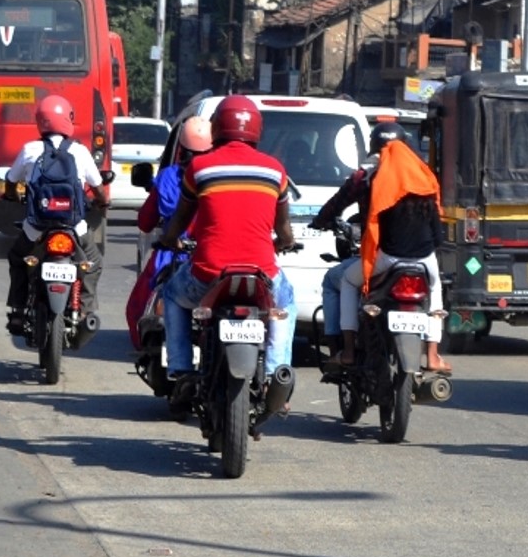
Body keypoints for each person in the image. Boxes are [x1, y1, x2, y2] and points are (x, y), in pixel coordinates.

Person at [157, 96, 298, 380]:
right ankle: (276, 374)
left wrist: (169, 239)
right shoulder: (275, 170)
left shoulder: (199, 168)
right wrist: (284, 243)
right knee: (286, 301)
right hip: (263, 275)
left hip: (207, 275)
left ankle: (181, 368)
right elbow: (283, 229)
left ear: (217, 127)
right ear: (256, 129)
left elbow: (180, 220)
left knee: (171, 294)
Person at [313, 121, 450, 374]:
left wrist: (319, 221)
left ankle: (349, 351)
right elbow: (437, 233)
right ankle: (432, 355)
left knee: (346, 282)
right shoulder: (423, 176)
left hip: (385, 256)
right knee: (435, 287)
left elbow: (341, 203)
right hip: (424, 259)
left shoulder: (370, 174)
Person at [2, 94, 106, 336]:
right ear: (68, 118)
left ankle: (17, 311)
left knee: (18, 259)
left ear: (41, 121)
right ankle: (86, 311)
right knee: (92, 263)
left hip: (36, 227)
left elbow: (10, 181)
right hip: (74, 226)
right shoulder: (80, 152)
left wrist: (12, 195)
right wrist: (103, 201)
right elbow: (99, 188)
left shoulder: (30, 149)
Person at [126, 116, 213, 349]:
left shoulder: (168, 178)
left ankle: (146, 352)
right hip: (212, 256)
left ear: (181, 148)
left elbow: (145, 222)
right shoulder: (221, 178)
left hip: (172, 255)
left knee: (137, 307)